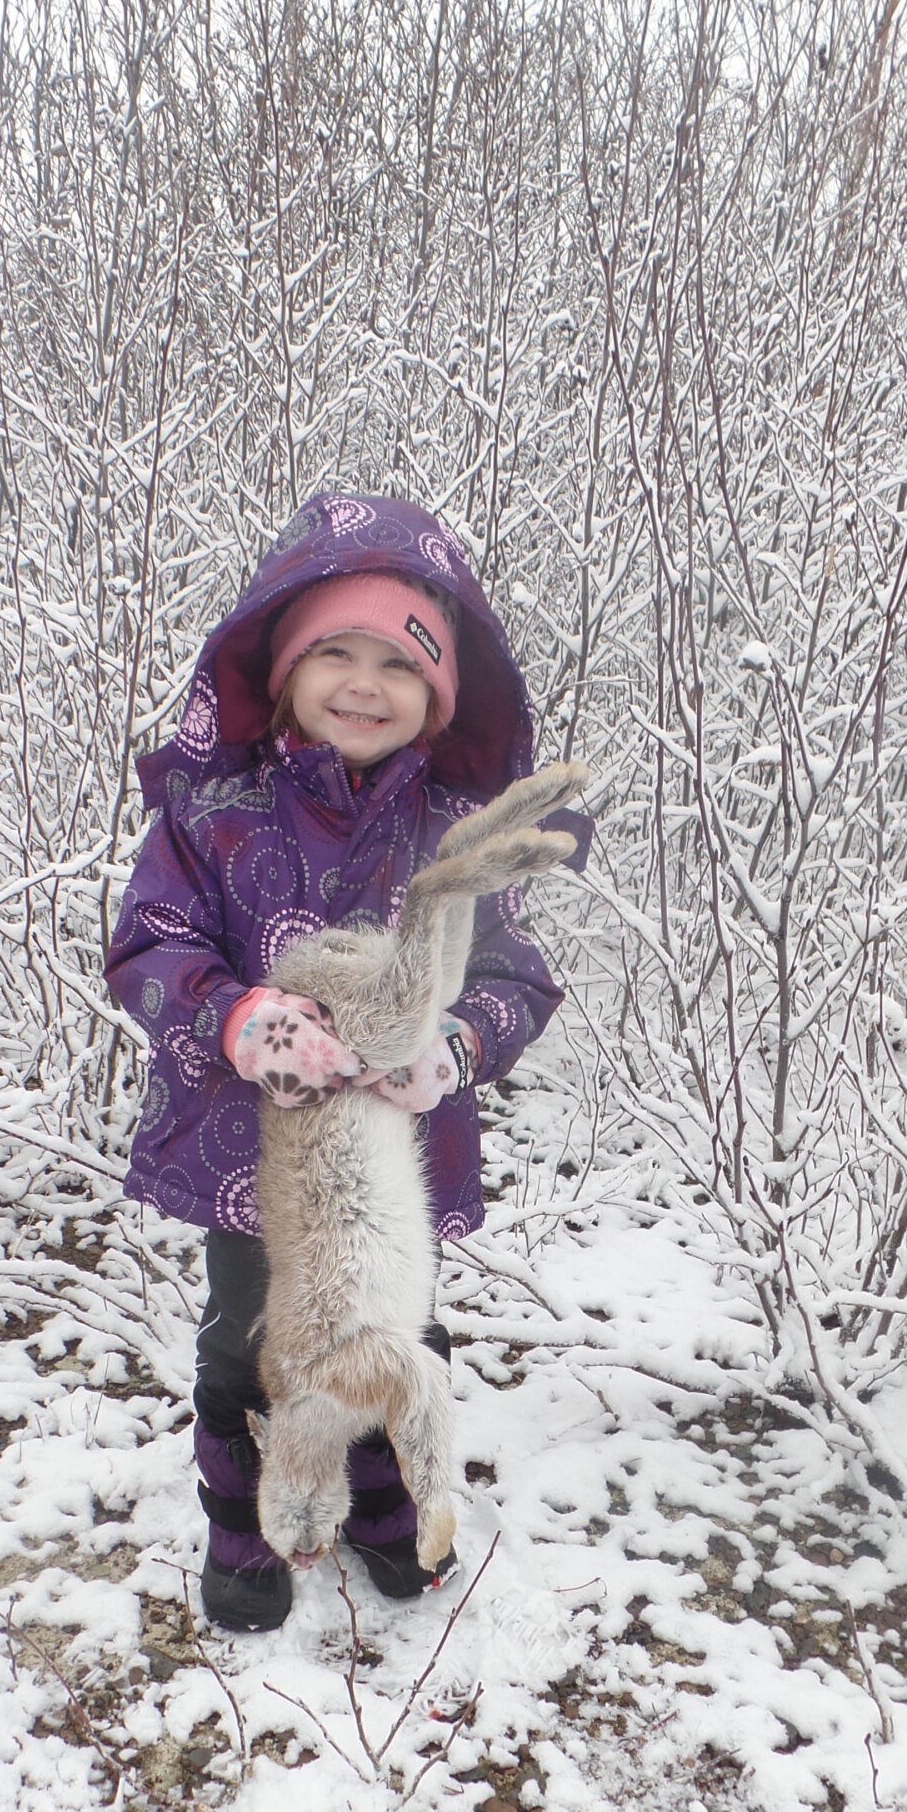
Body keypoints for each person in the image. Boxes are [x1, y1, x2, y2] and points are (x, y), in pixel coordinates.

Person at [104, 493, 582, 1632]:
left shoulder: (451, 830)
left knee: (399, 1329)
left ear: (437, 696)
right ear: (283, 668)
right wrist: (239, 1018)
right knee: (249, 1337)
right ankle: (246, 1517)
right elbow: (152, 946)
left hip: (392, 1168)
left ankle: (381, 1500)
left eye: (399, 665)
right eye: (336, 653)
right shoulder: (213, 815)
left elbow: (517, 979)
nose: (365, 685)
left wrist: (458, 1049)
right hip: (249, 1160)